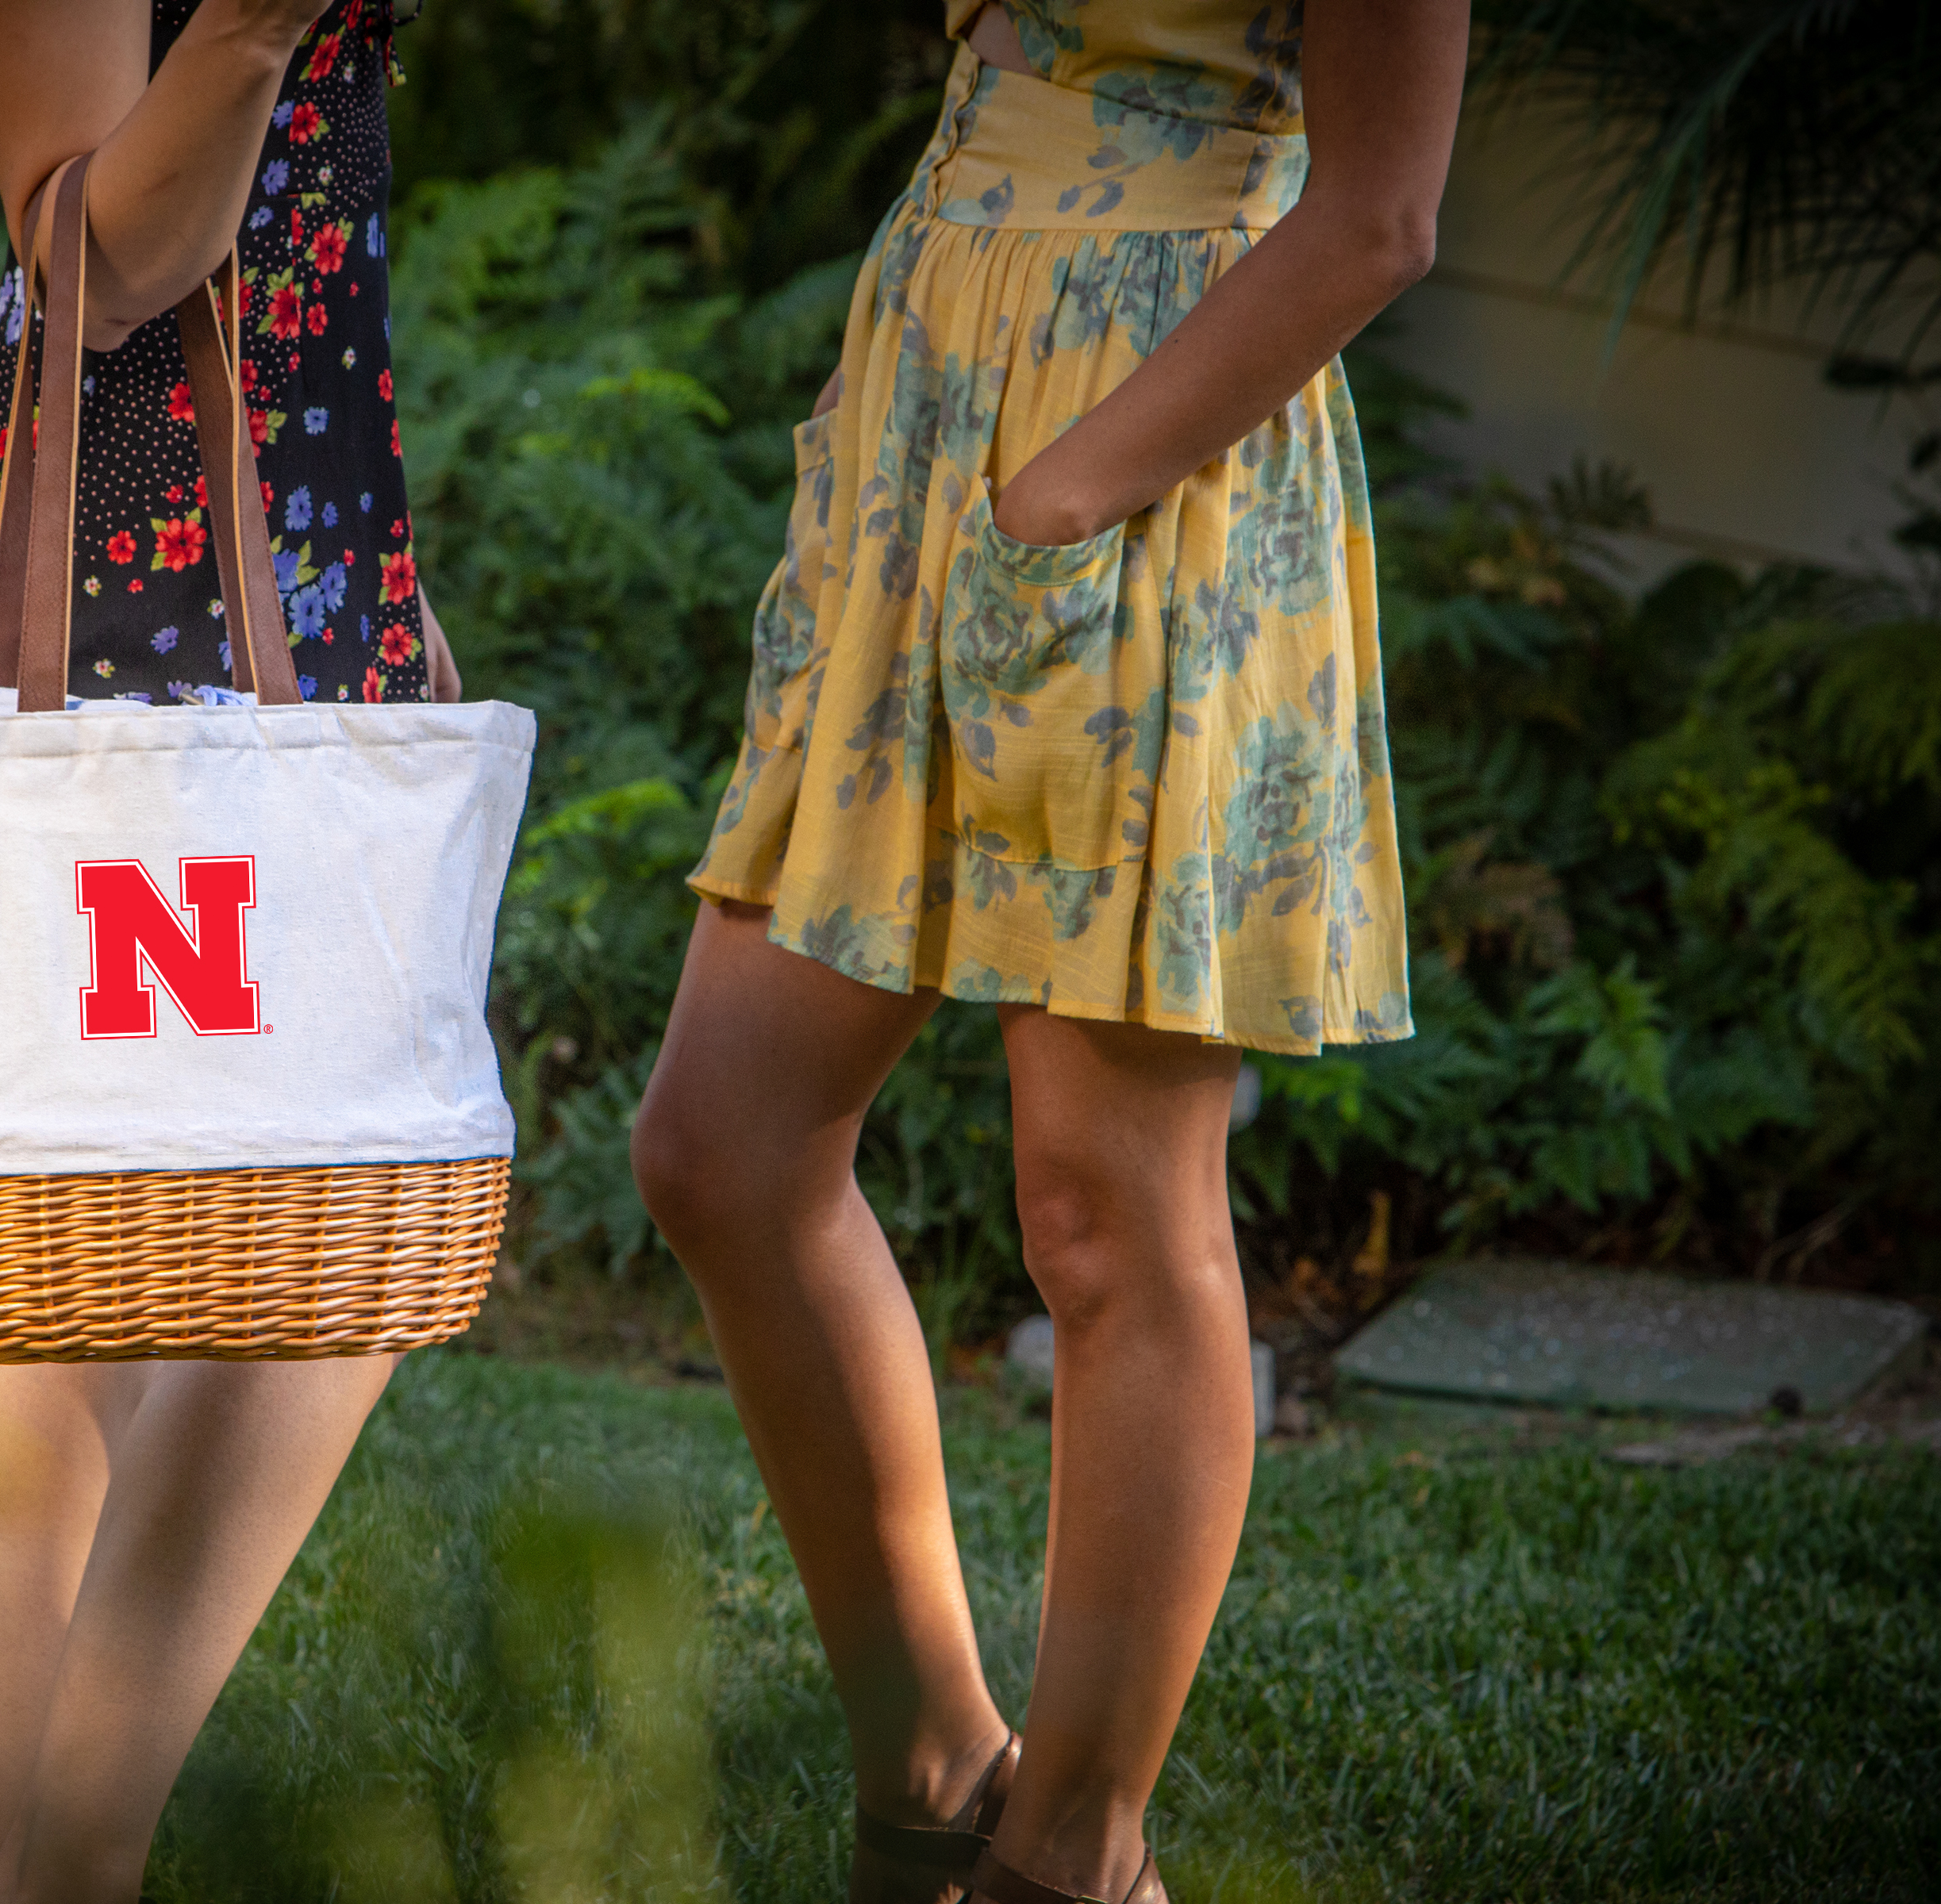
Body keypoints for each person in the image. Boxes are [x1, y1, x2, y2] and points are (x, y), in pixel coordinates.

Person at [628, 4, 1464, 1902]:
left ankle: (1073, 1851)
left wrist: (1063, 490)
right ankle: (931, 1776)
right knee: (722, 1146)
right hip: (929, 393)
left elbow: (1382, 213)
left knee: (1103, 1205)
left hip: (1151, 453)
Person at [0, 6, 452, 1902]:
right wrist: (243, 35)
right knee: (117, 1227)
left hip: (308, 523)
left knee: (305, 1213)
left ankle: (20, 1862)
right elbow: (105, 259)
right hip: (101, 549)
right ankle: (64, 1862)